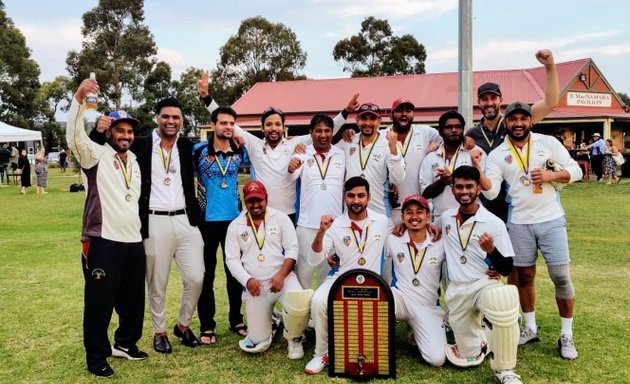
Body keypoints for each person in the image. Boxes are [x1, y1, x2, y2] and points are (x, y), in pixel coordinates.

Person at [90, 97, 205, 355]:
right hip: (153, 220)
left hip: (186, 220)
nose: (171, 121)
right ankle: (159, 331)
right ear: (157, 118)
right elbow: (99, 147)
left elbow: (223, 137)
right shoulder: (139, 145)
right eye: (166, 116)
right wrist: (97, 129)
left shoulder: (188, 145)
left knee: (197, 277)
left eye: (176, 117)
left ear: (182, 120)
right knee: (157, 282)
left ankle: (183, 324)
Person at [484, 101, 582, 360]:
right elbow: (492, 191)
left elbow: (577, 170)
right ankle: (530, 328)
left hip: (551, 219)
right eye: (513, 119)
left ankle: (566, 334)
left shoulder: (547, 142)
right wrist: (476, 167)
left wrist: (551, 176)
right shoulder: (497, 154)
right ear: (506, 123)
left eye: (523, 119)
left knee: (560, 276)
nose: (518, 124)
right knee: (524, 276)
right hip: (518, 222)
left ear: (530, 121)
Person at [197, 70, 355, 223]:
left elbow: (326, 130)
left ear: (283, 126)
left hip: (290, 215)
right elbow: (226, 121)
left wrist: (346, 111)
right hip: (262, 214)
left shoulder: (294, 143)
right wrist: (206, 97)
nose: (273, 128)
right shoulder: (254, 144)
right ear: (262, 128)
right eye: (269, 124)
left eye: (277, 124)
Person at [68, 79, 147, 377]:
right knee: (100, 302)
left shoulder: (135, 161)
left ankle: (125, 343)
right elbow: (74, 137)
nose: (125, 135)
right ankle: (97, 357)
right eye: (119, 130)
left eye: (129, 131)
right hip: (102, 240)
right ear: (109, 131)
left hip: (132, 240)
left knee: (132, 300)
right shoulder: (95, 155)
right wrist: (79, 98)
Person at [441, 166, 523, 384]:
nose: (464, 191)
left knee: (501, 299)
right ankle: (485, 338)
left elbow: (506, 268)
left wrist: (491, 251)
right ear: (453, 190)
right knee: (470, 354)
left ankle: (505, 370)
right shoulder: (445, 218)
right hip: (457, 290)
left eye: (469, 186)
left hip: (483, 284)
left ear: (478, 188)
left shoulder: (493, 222)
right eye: (459, 187)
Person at [304, 176, 393, 375]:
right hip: (341, 279)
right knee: (318, 301)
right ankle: (322, 353)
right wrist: (320, 232)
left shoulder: (382, 221)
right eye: (351, 196)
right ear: (344, 197)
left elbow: (397, 243)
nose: (356, 200)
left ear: (369, 197)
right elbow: (313, 259)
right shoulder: (334, 225)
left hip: (372, 283)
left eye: (361, 196)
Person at [466, 49, 560, 222]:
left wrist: (550, 66)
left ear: (501, 100)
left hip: (517, 200)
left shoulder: (516, 122)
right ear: (478, 102)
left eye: (493, 98)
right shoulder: (473, 133)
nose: (489, 103)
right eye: (484, 99)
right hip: (487, 200)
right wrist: (434, 145)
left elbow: (550, 102)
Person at [225, 180, 312, 359]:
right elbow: (232, 260)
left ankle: (294, 340)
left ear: (266, 198)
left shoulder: (280, 218)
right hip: (256, 286)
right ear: (245, 200)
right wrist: (248, 281)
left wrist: (280, 276)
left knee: (299, 301)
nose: (255, 205)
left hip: (283, 279)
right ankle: (274, 319)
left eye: (259, 200)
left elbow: (292, 249)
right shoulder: (235, 226)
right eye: (251, 201)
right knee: (258, 342)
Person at [193, 106, 248, 345]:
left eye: (231, 123)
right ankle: (207, 326)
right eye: (223, 122)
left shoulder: (241, 151)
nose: (227, 127)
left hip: (234, 222)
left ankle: (236, 319)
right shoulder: (197, 150)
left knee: (234, 274)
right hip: (205, 222)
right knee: (206, 275)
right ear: (213, 124)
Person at [384, 194, 446, 366]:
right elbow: (368, 250)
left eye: (420, 212)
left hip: (427, 307)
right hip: (400, 298)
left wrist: (490, 267)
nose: (414, 217)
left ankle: (417, 331)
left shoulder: (440, 241)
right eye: (409, 212)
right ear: (402, 217)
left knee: (437, 359)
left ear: (428, 216)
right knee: (378, 300)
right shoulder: (393, 238)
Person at [288, 114, 346, 291]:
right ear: (311, 133)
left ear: (332, 132)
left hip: (333, 226)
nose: (323, 134)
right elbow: (291, 175)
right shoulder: (302, 153)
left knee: (327, 276)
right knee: (303, 276)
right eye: (318, 130)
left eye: (327, 130)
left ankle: (322, 316)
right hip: (306, 225)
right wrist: (292, 167)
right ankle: (304, 318)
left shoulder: (341, 154)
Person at [336, 102, 405, 217]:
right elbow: (325, 146)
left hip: (379, 211)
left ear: (379, 121)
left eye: (372, 118)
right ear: (357, 120)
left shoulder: (388, 142)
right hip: (352, 212)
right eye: (363, 118)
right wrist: (299, 145)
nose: (367, 123)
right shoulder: (348, 140)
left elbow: (398, 180)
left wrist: (393, 149)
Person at [419, 111, 488, 219]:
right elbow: (425, 193)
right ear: (440, 132)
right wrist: (443, 182)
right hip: (440, 217)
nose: (454, 130)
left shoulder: (476, 153)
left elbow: (484, 187)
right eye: (449, 127)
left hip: (473, 216)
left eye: (458, 127)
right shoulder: (430, 158)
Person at [386, 98, 442, 222]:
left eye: (408, 110)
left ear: (413, 114)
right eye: (399, 110)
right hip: (391, 207)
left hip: (420, 205)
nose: (404, 114)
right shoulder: (382, 135)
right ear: (391, 115)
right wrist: (348, 132)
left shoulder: (426, 132)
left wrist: (437, 146)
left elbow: (448, 138)